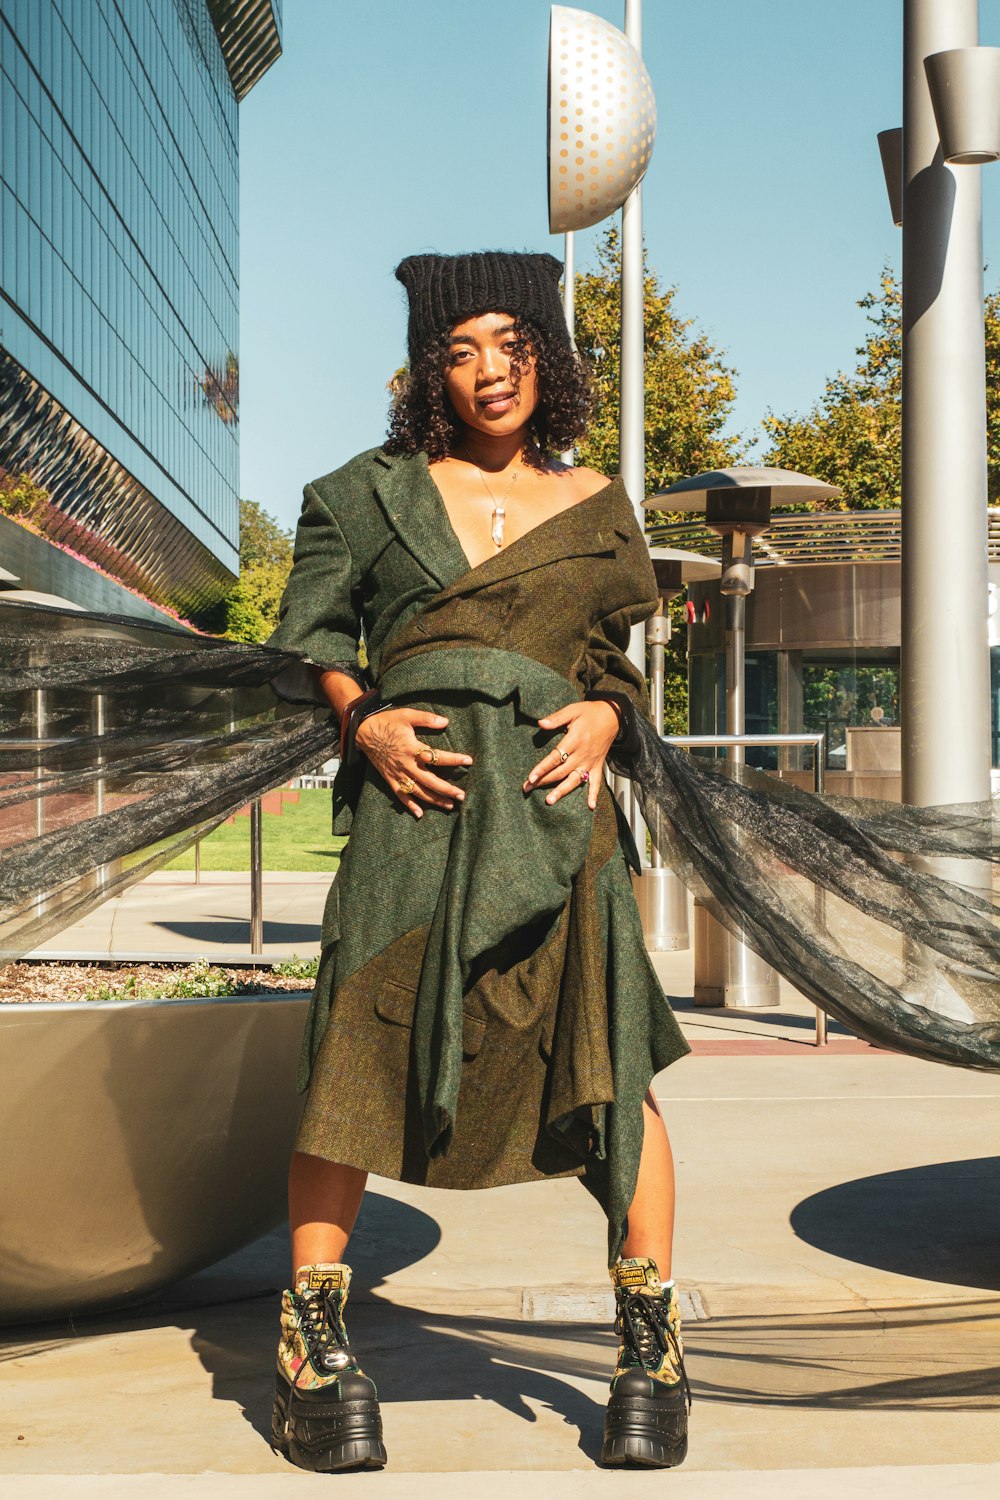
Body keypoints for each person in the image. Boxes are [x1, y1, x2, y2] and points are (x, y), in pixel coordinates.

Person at [266, 250, 691, 1474]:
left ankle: (647, 1345)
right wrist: (364, 720)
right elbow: (319, 639)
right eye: (459, 350)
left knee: (607, 1064)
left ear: (546, 360)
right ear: (428, 371)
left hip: (557, 820)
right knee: (353, 1050)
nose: (487, 371)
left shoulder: (601, 502)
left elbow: (611, 656)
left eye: (510, 344)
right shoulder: (360, 493)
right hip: (414, 812)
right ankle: (311, 1351)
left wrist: (610, 714)